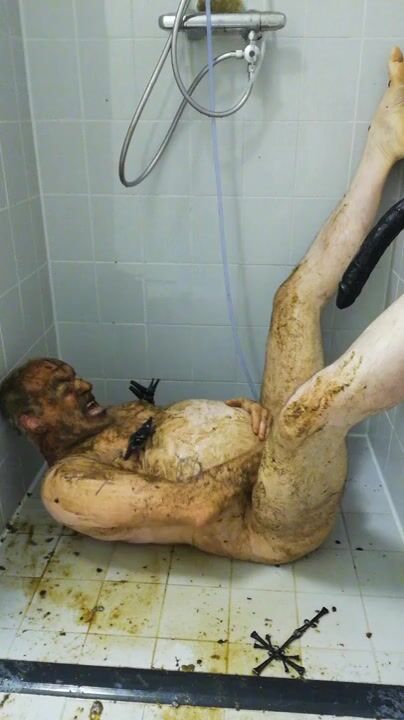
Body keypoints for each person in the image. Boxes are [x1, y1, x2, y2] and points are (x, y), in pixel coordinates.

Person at [1, 48, 404, 564]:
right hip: (271, 521)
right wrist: (274, 441)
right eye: (63, 390)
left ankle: (383, 144)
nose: (83, 385)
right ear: (33, 421)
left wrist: (240, 415)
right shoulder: (69, 486)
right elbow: (195, 508)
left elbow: (187, 446)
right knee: (311, 410)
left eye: (73, 377)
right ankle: (296, 430)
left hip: (282, 462)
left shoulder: (114, 419)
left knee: (292, 302)